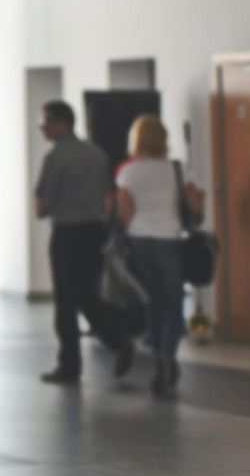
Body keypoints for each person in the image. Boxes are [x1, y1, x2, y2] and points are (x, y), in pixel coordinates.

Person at [35, 100, 135, 385]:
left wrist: (50, 205)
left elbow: (42, 205)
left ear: (62, 123)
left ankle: (71, 365)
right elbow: (107, 195)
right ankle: (118, 338)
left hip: (67, 233)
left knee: (67, 301)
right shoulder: (96, 153)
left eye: (46, 122)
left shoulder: (56, 157)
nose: (43, 128)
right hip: (94, 232)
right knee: (87, 294)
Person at [116, 114, 204, 395]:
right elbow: (194, 204)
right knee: (173, 305)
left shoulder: (128, 173)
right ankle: (168, 357)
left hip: (140, 243)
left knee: (151, 304)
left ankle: (157, 360)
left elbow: (124, 213)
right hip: (170, 241)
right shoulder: (177, 169)